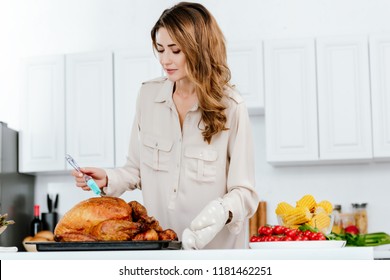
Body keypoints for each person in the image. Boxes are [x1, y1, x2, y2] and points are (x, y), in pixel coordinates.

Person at [71, 1, 259, 250]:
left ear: (199, 49)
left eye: (175, 50)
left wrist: (221, 211)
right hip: (161, 252)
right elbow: (136, 170)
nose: (165, 60)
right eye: (160, 49)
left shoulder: (231, 106)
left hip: (217, 255)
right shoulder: (148, 97)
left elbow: (245, 193)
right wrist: (108, 178)